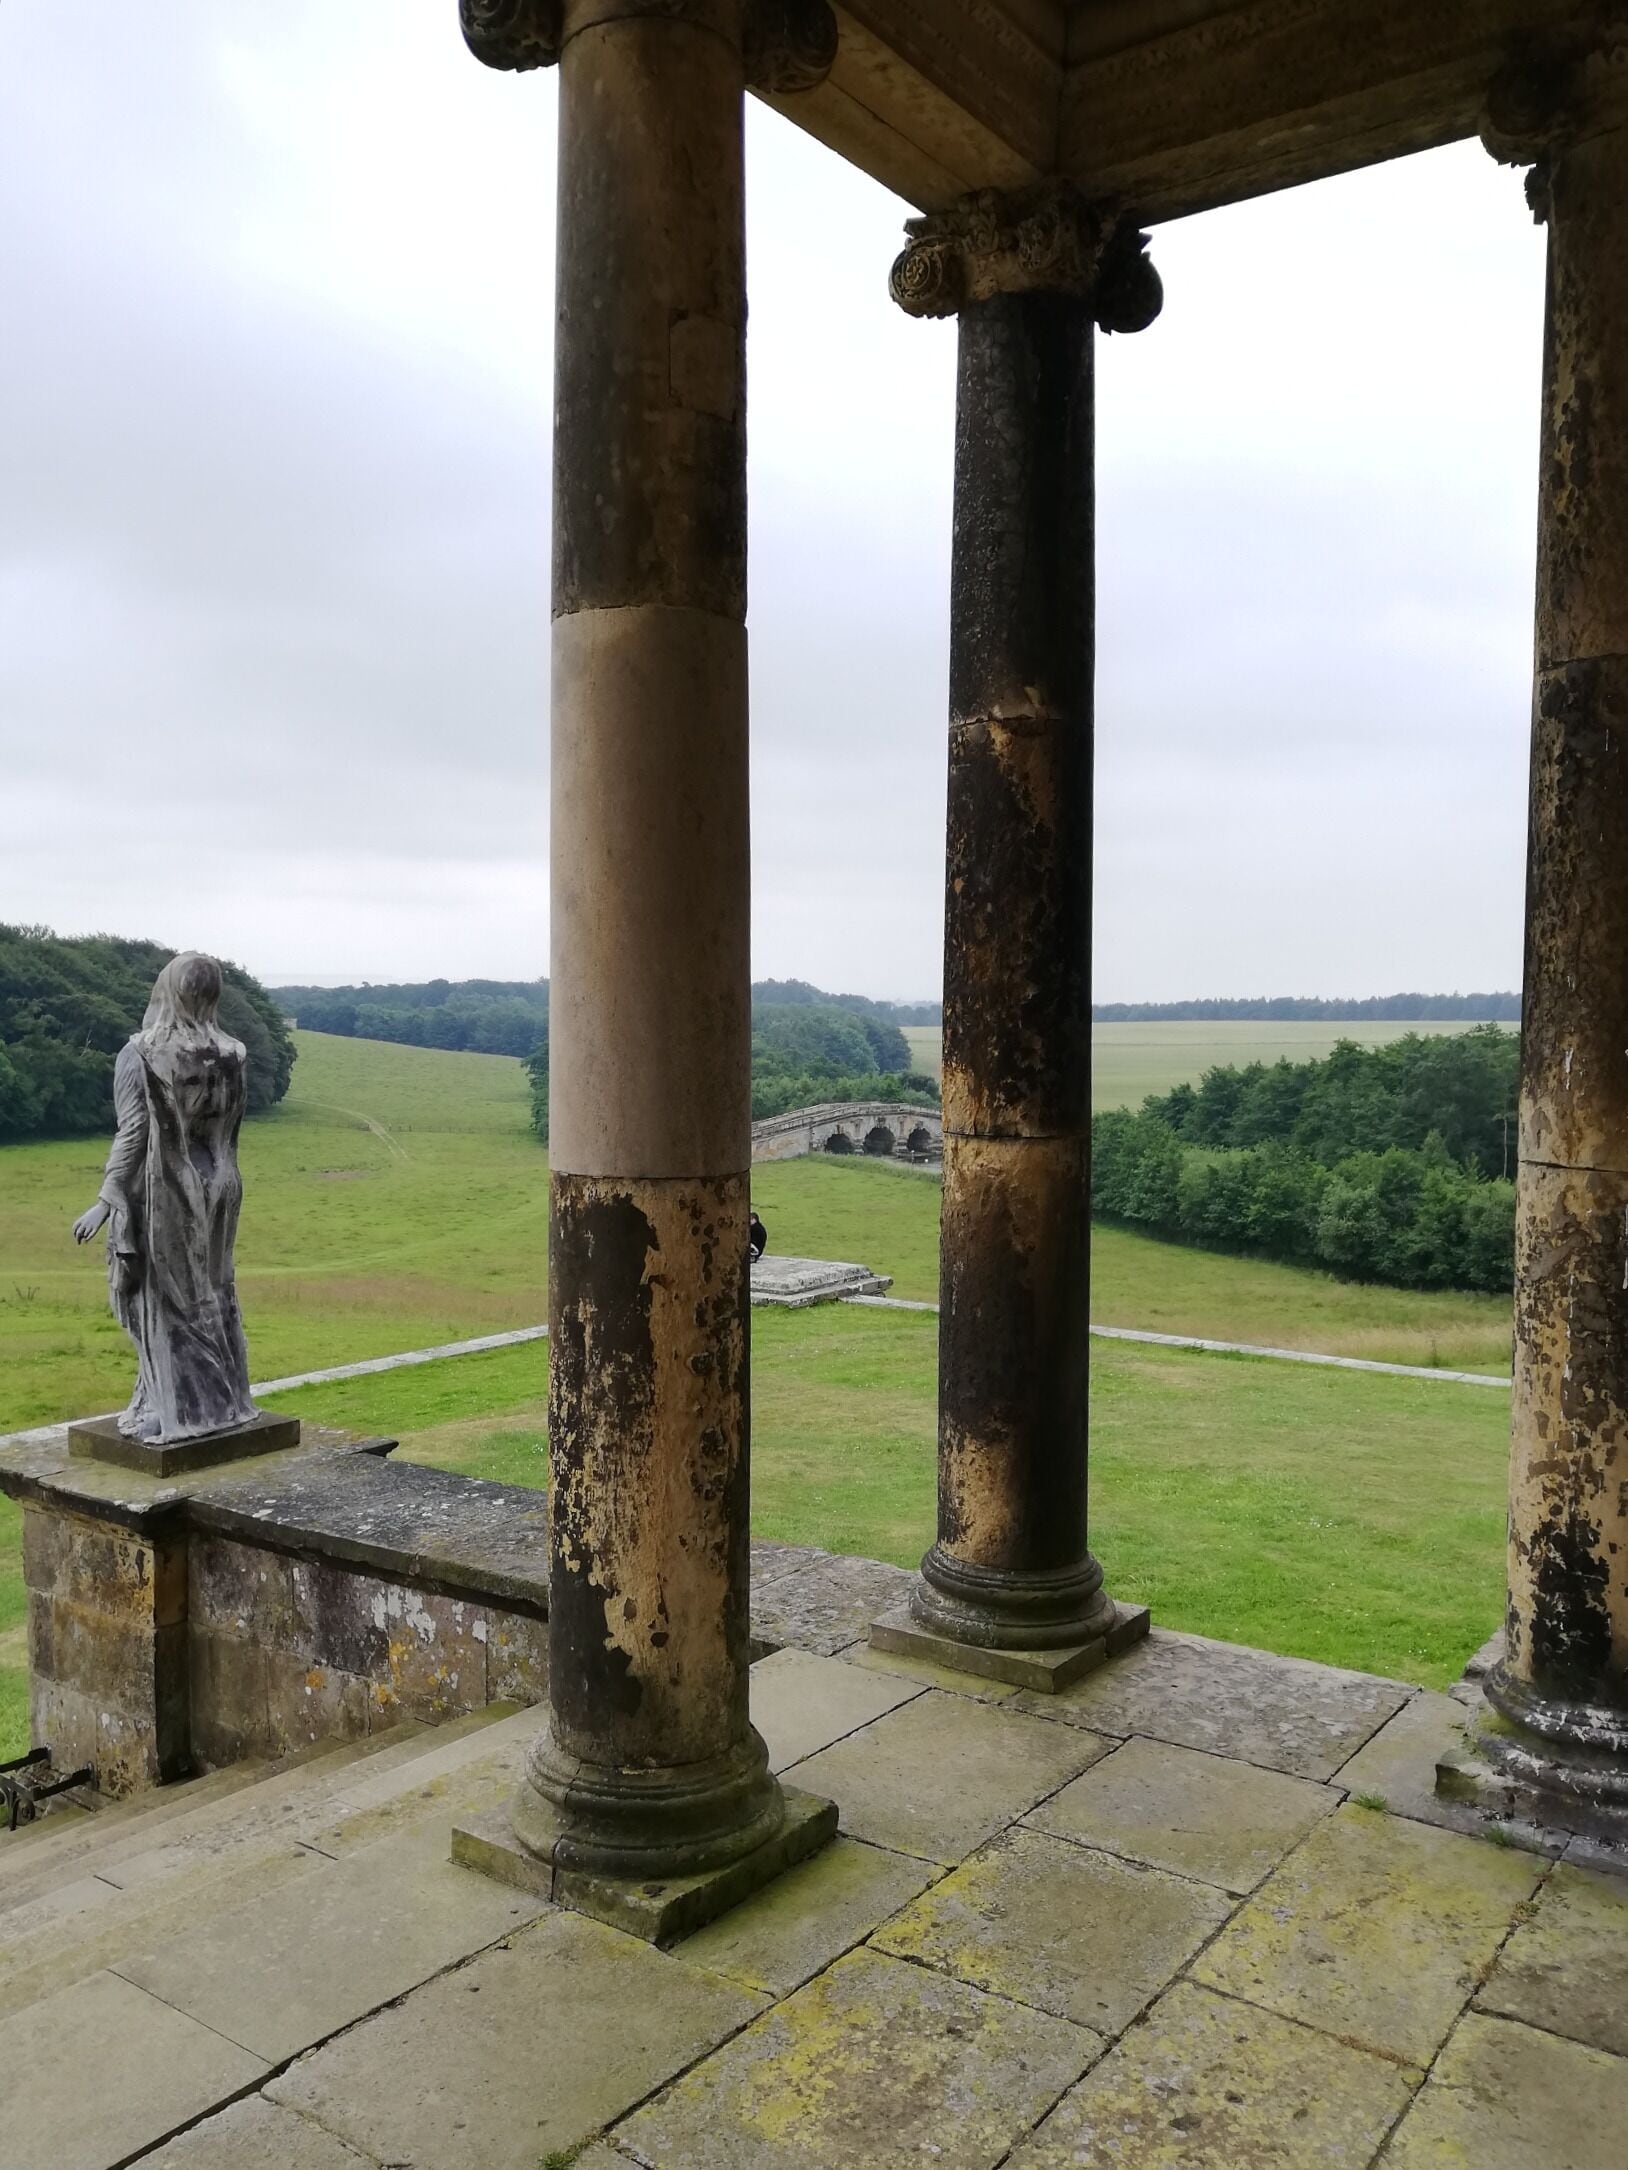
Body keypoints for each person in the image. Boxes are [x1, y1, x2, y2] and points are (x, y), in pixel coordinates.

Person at [72, 953, 260, 1443]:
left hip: (164, 1191)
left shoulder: (142, 1052)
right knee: (213, 1293)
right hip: (220, 1187)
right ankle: (177, 1400)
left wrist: (107, 1197)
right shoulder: (234, 1053)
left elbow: (133, 1132)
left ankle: (188, 1411)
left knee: (165, 1302)